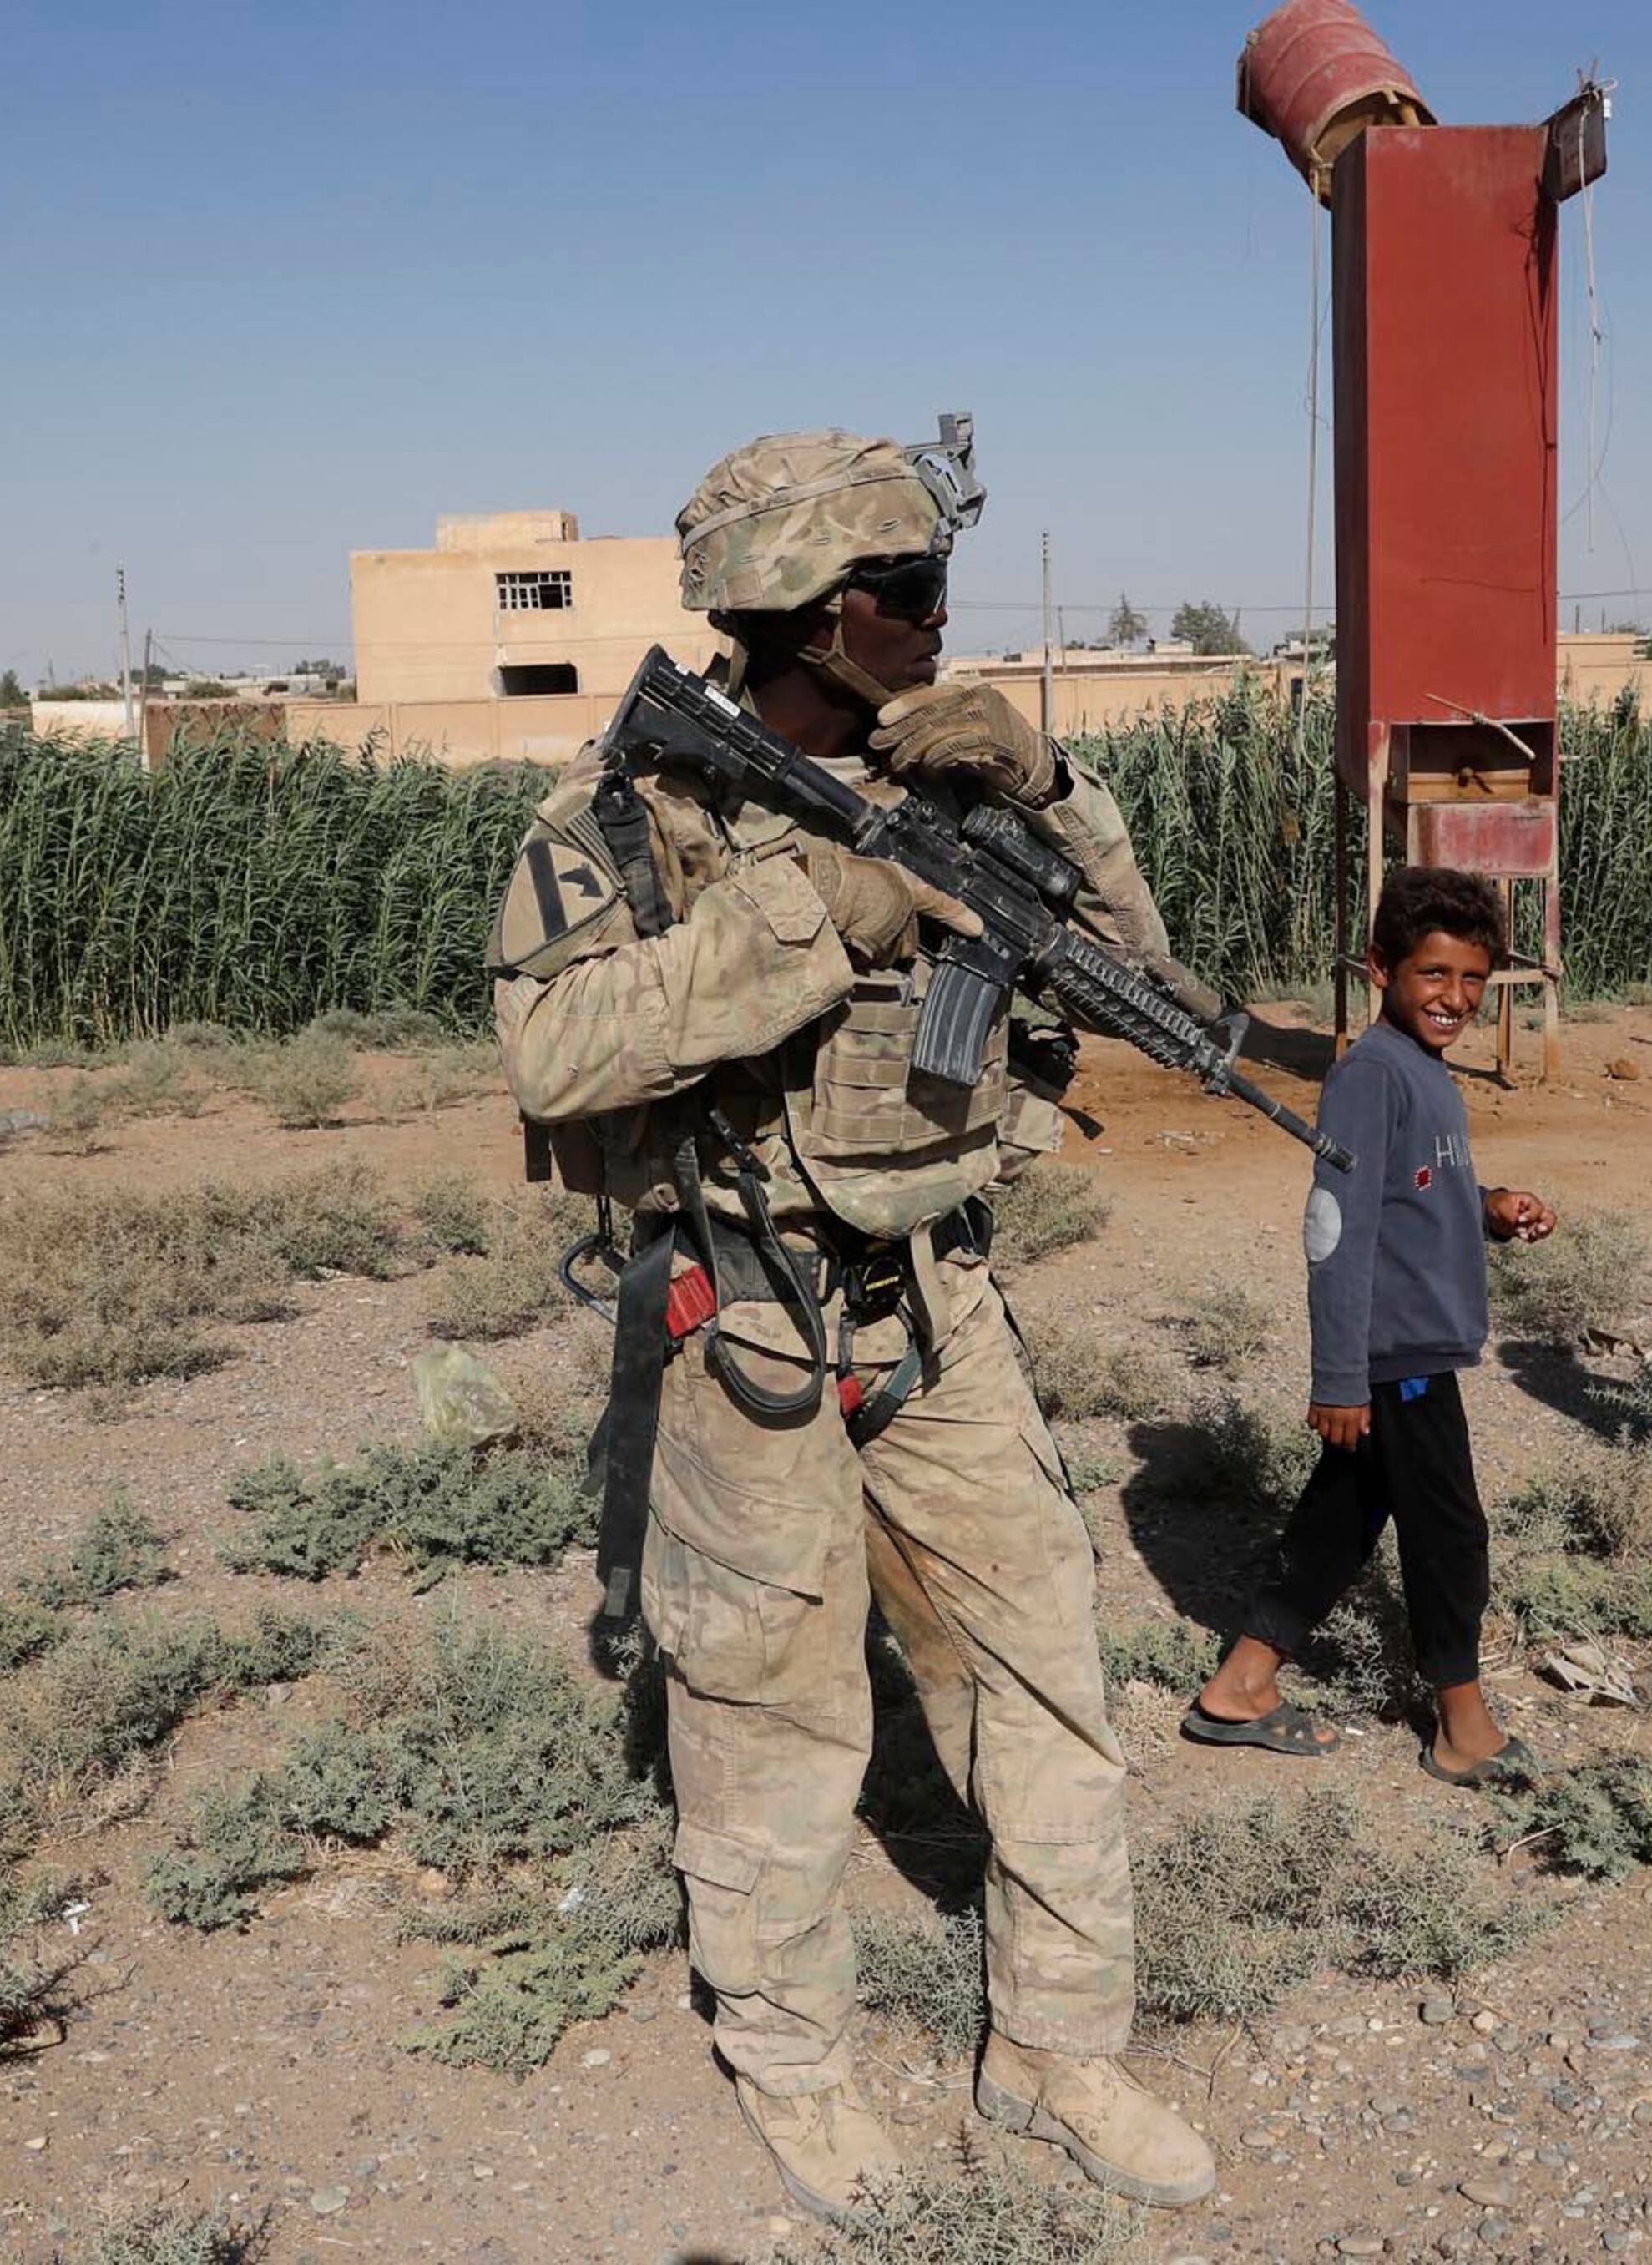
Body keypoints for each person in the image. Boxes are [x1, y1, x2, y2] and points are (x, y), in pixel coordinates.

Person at [487, 417, 1217, 2221]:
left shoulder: (957, 784)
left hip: (938, 1304)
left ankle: (1060, 2049)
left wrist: (1047, 795)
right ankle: (796, 2070)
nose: (933, 619)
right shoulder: (616, 817)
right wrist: (828, 900)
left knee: (1041, 1676)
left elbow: (1150, 983)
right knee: (769, 1713)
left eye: (933, 583)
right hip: (746, 1318)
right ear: (798, 610)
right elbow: (555, 1048)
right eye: (904, 591)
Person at [1186, 865, 1556, 1788]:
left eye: (1473, 979)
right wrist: (1340, 1376)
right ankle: (1463, 1726)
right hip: (1397, 1355)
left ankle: (1241, 1686)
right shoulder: (1368, 1076)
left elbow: (1414, 1194)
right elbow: (1336, 1231)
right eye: (1434, 975)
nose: (1455, 997)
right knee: (1450, 1534)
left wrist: (1488, 1206)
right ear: (1381, 967)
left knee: (1340, 1521)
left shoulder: (1422, 1071)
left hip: (1407, 1346)